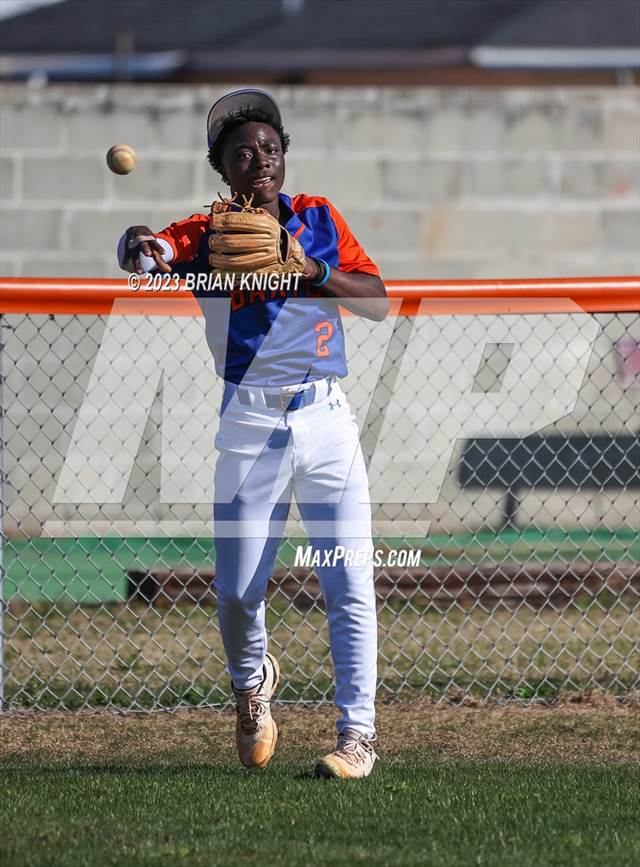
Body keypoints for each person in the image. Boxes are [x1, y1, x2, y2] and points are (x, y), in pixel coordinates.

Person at [118, 88, 388, 779]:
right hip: (250, 419)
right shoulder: (206, 233)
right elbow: (145, 255)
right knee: (239, 592)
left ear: (283, 156)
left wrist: (314, 269)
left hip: (327, 417)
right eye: (242, 152)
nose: (259, 159)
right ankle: (252, 684)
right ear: (223, 167)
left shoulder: (320, 218)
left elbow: (379, 301)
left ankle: (357, 737)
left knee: (348, 582)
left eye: (269, 148)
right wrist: (137, 244)